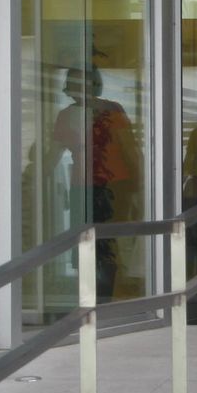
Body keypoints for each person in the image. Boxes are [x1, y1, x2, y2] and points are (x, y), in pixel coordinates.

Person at [52, 65, 140, 299]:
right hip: (87, 186)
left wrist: (140, 188)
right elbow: (51, 156)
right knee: (91, 244)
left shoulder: (111, 110)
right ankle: (93, 299)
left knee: (104, 244)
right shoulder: (69, 115)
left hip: (113, 186)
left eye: (78, 83)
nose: (75, 89)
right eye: (73, 83)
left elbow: (130, 151)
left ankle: (102, 298)